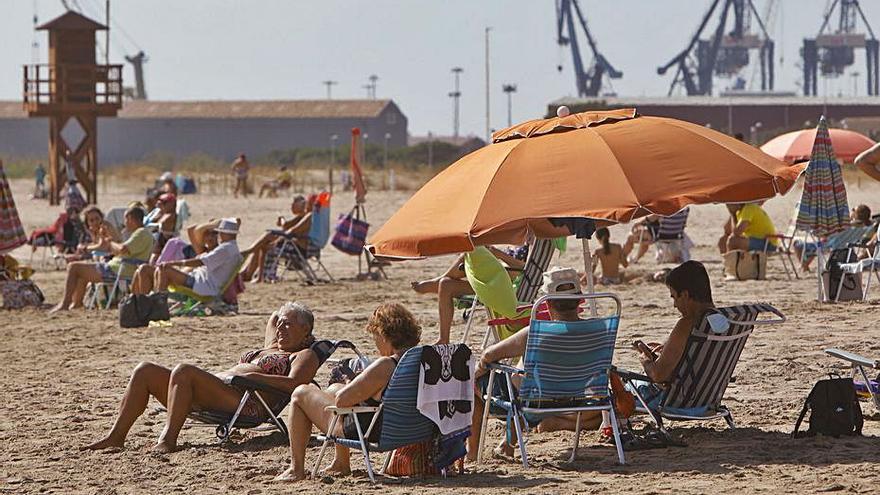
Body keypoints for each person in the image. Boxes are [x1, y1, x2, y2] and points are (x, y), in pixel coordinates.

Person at [83, 302, 324, 453]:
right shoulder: (272, 345)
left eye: (289, 325)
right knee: (145, 370)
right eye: (280, 324)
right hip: (223, 391)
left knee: (184, 371)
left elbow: (296, 385)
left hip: (247, 402)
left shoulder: (303, 355)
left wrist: (252, 378)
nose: (281, 328)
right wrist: (286, 316)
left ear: (305, 330)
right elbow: (274, 315)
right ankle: (116, 437)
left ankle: (167, 440)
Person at [274, 302, 421, 482]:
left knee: (301, 393)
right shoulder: (417, 360)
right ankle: (340, 462)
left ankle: (296, 469)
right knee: (335, 388)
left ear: (383, 335)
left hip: (370, 430)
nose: (375, 343)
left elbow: (342, 402)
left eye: (374, 336)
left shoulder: (386, 365)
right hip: (407, 428)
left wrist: (351, 383)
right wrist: (354, 386)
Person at [467, 267, 591, 460]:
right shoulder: (594, 332)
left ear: (547, 304)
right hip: (575, 397)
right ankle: (506, 444)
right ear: (579, 300)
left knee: (478, 386)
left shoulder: (535, 333)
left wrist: (479, 371)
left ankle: (473, 455)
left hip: (534, 400)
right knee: (527, 381)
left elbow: (489, 355)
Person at [627, 260, 715, 412]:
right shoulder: (723, 320)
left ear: (686, 295)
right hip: (707, 398)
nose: (674, 305)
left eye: (674, 297)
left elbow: (658, 374)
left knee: (616, 391)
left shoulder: (687, 324)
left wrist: (645, 359)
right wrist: (667, 350)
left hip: (677, 400)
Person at [411, 245, 526, 344]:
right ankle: (443, 339)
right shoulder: (524, 236)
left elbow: (523, 268)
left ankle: (434, 283)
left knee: (473, 249)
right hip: (491, 281)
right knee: (446, 284)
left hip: (504, 285)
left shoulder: (536, 241)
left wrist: (498, 254)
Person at [50, 206, 154, 313]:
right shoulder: (141, 233)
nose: (124, 222)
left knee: (74, 267)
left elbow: (122, 249)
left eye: (125, 219)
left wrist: (109, 242)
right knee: (81, 271)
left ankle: (65, 304)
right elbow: (119, 250)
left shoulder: (141, 233)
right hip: (119, 267)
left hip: (119, 270)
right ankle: (76, 303)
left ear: (130, 218)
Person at [142, 218, 243, 296]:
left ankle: (158, 304)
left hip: (202, 286)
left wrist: (174, 263)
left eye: (219, 232)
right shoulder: (230, 248)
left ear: (225, 233)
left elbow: (201, 261)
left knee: (164, 270)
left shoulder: (225, 248)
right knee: (156, 269)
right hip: (200, 281)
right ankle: (153, 301)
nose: (219, 235)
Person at [240, 195, 313, 282]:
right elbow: (289, 227)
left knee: (266, 239)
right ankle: (247, 272)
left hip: (299, 250)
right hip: (295, 245)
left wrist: (279, 233)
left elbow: (290, 230)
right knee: (265, 240)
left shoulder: (309, 216)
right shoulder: (306, 217)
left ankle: (250, 264)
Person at [792, 204, 874, 271]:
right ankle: (805, 265)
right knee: (818, 246)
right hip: (846, 249)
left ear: (856, 214)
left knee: (797, 244)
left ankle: (804, 266)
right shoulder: (866, 227)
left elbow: (824, 235)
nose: (851, 211)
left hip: (828, 246)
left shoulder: (844, 225)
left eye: (853, 210)